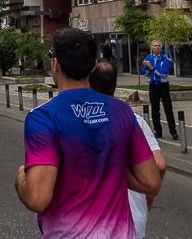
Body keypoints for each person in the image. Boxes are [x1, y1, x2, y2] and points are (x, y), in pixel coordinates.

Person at [16, 28, 161, 238]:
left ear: (55, 64)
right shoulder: (121, 110)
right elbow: (152, 182)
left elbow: (37, 198)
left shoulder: (43, 118)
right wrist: (107, 167)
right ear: (94, 65)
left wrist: (21, 179)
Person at [89, 59, 166, 239]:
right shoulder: (134, 120)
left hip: (92, 223)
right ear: (116, 85)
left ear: (88, 84)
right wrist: (148, 188)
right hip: (132, 221)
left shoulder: (80, 122)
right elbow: (160, 165)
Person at [142, 40, 177, 140]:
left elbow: (164, 73)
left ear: (161, 48)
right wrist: (146, 67)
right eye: (155, 46)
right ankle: (158, 131)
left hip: (163, 85)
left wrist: (152, 67)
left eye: (159, 46)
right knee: (154, 109)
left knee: (168, 109)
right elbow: (144, 73)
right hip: (153, 85)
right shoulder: (149, 58)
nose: (157, 47)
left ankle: (173, 131)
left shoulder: (164, 59)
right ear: (152, 47)